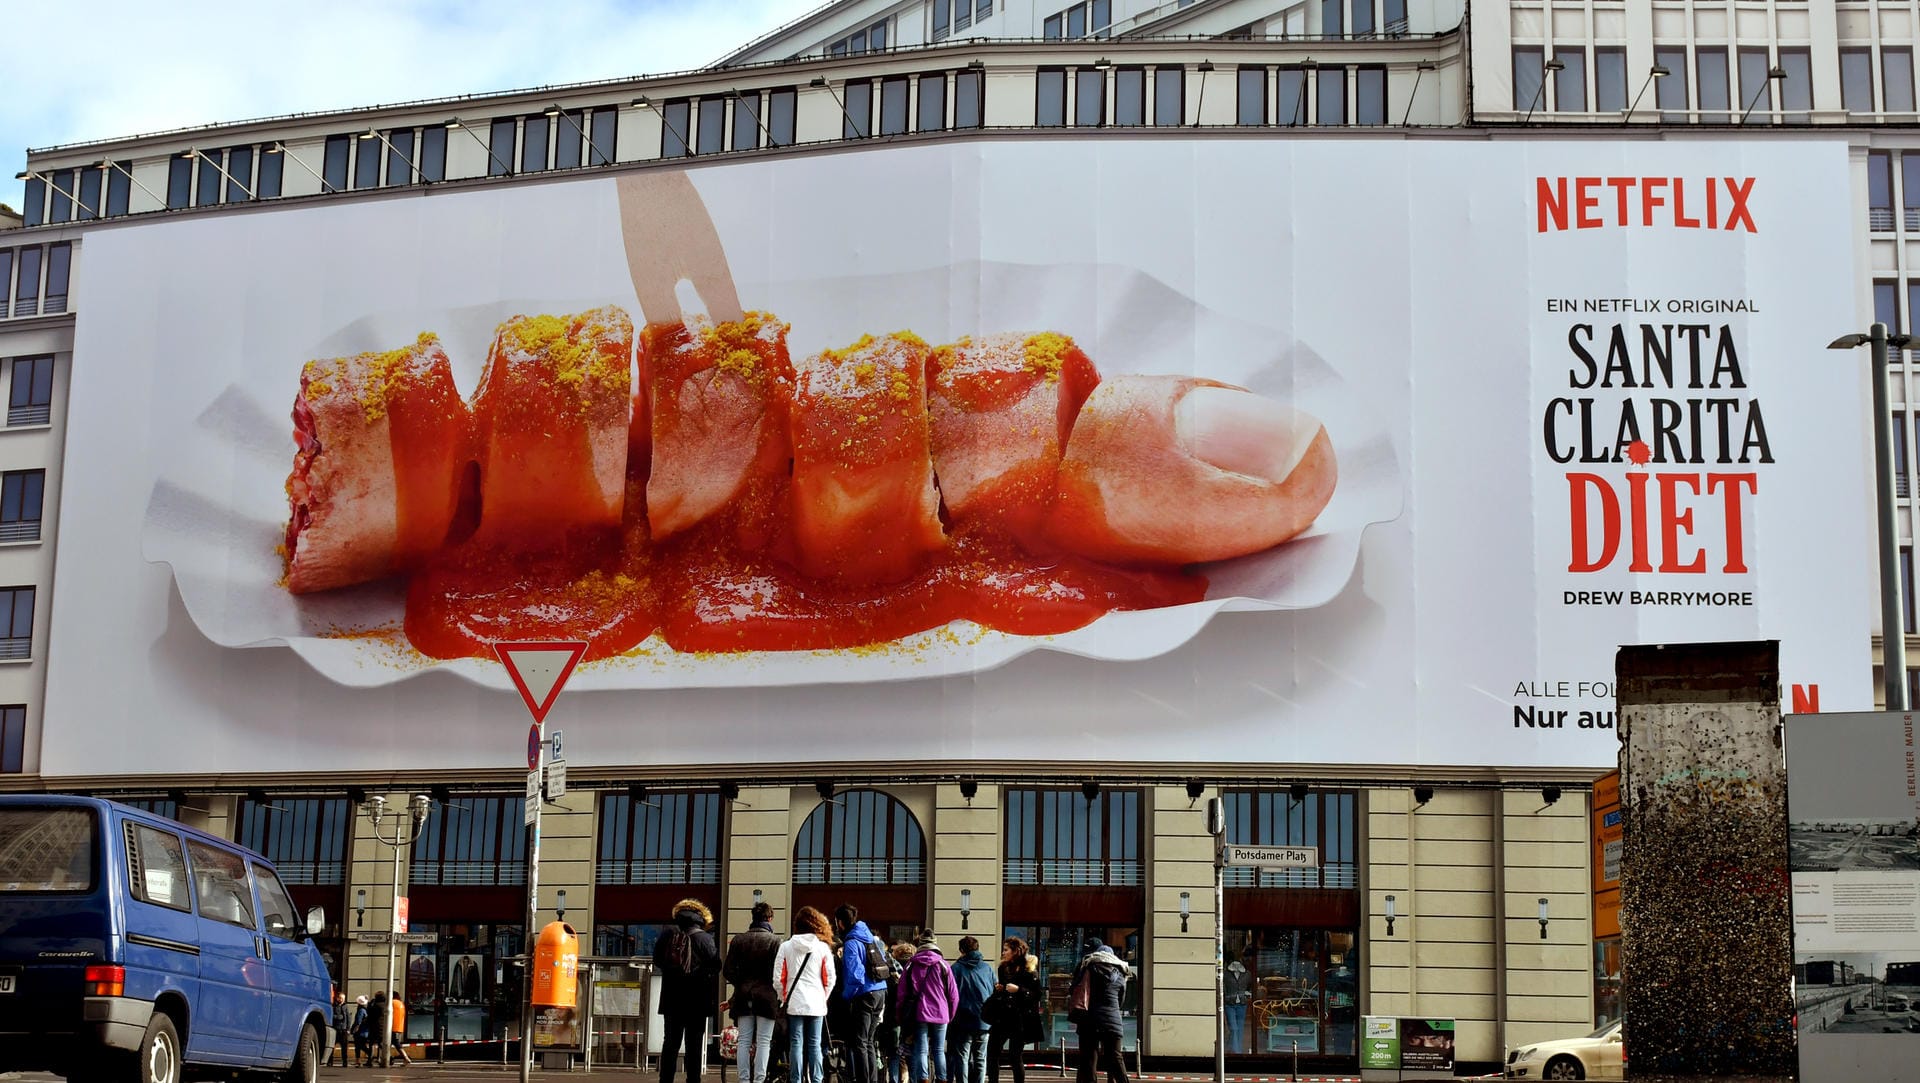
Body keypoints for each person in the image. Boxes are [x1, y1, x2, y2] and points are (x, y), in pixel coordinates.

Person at [656, 898, 722, 1083]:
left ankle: (665, 1079)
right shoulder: (704, 938)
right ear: (701, 917)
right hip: (697, 1000)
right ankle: (693, 1079)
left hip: (671, 999)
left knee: (670, 1042)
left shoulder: (667, 934)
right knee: (694, 1044)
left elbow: (658, 960)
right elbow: (716, 965)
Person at [778, 906, 839, 1083]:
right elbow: (830, 979)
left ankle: (795, 1079)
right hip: (816, 1003)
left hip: (794, 1002)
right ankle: (817, 1079)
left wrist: (784, 998)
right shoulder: (823, 948)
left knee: (796, 1043)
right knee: (815, 1044)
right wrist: (823, 997)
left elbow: (778, 977)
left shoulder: (786, 946)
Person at [725, 900, 783, 1083]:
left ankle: (743, 1080)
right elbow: (779, 973)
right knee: (764, 1041)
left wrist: (741, 983)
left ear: (753, 918)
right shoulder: (776, 942)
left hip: (743, 996)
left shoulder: (738, 940)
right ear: (770, 918)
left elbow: (728, 971)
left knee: (743, 1041)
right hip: (767, 997)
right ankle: (759, 1080)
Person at [834, 904, 890, 1083]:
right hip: (880, 991)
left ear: (840, 922)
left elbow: (855, 975)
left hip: (864, 995)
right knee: (869, 1041)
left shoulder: (851, 942)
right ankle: (873, 1079)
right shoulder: (870, 938)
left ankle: (863, 1080)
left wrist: (845, 996)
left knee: (860, 1042)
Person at [897, 932, 959, 1083]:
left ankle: (923, 1079)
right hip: (941, 1012)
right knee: (939, 1050)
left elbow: (902, 993)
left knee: (921, 1049)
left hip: (920, 1012)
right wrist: (950, 1015)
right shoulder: (943, 965)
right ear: (935, 944)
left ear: (920, 945)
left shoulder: (911, 964)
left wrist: (899, 1014)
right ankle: (942, 1079)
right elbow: (953, 994)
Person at [1070, 940, 1131, 1083]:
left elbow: (1074, 989)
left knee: (1089, 1059)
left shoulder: (1087, 968)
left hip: (1089, 1020)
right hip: (1112, 1020)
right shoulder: (1121, 974)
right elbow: (1121, 1000)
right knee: (1116, 1057)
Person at [987, 938, 1041, 1083]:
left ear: (1016, 951)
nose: (1003, 953)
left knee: (1015, 1056)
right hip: (1002, 1016)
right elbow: (1005, 990)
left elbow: (1036, 995)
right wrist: (1000, 989)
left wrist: (1019, 990)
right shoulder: (1003, 968)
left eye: (1006, 949)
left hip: (1019, 1019)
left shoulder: (1029, 970)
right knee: (992, 1052)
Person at [949, 937, 995, 1083]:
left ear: (961, 950)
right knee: (980, 1057)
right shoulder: (987, 968)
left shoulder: (955, 968)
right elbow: (994, 990)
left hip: (962, 1019)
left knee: (962, 1056)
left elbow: (949, 993)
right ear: (977, 948)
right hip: (984, 1019)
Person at [883, 941, 915, 1083]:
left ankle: (894, 1080)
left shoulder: (891, 969)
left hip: (893, 1017)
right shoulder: (916, 969)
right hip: (912, 1018)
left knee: (894, 1053)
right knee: (913, 1053)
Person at [1224, 951, 1252, 1053]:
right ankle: (1236, 1051)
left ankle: (1236, 1049)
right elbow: (1223, 988)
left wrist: (1248, 993)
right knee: (1234, 1028)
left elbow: (1251, 986)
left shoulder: (1247, 974)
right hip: (1229, 1005)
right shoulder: (1226, 974)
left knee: (1240, 1029)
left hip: (1242, 1005)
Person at [388, 990, 412, 1066]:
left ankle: (405, 1057)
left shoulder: (392, 1003)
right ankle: (403, 1058)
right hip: (399, 1027)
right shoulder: (401, 1003)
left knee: (394, 1044)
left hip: (392, 1027)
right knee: (395, 1043)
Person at [331, 990, 351, 1067]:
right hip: (336, 1028)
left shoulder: (345, 1006)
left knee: (344, 1047)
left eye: (343, 998)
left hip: (344, 1029)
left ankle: (345, 1061)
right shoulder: (334, 1006)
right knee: (333, 1045)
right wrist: (339, 1017)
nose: (342, 1000)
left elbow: (348, 1018)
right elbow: (332, 1016)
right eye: (340, 998)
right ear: (337, 998)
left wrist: (348, 1028)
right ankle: (330, 1061)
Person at [351, 994, 371, 1068]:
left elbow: (358, 1022)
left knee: (359, 1046)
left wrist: (354, 1030)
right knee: (362, 1046)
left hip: (360, 1032)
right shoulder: (366, 1010)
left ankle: (358, 1060)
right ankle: (369, 1055)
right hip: (365, 1031)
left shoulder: (360, 1010)